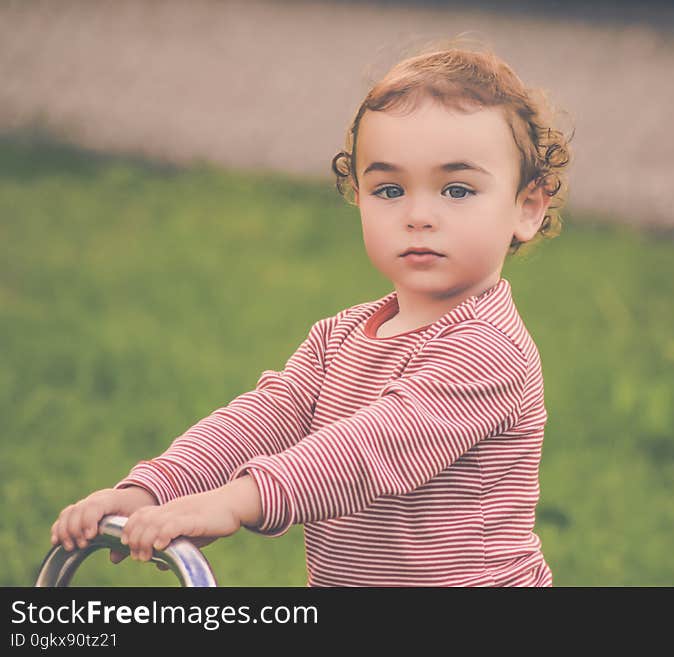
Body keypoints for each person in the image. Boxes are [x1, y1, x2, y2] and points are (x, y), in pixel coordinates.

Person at [50, 39, 573, 587]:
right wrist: (154, 489)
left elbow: (373, 448)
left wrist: (237, 502)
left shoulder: (489, 350)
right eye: (390, 189)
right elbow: (263, 420)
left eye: (458, 189)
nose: (419, 214)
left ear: (527, 208)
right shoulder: (340, 337)